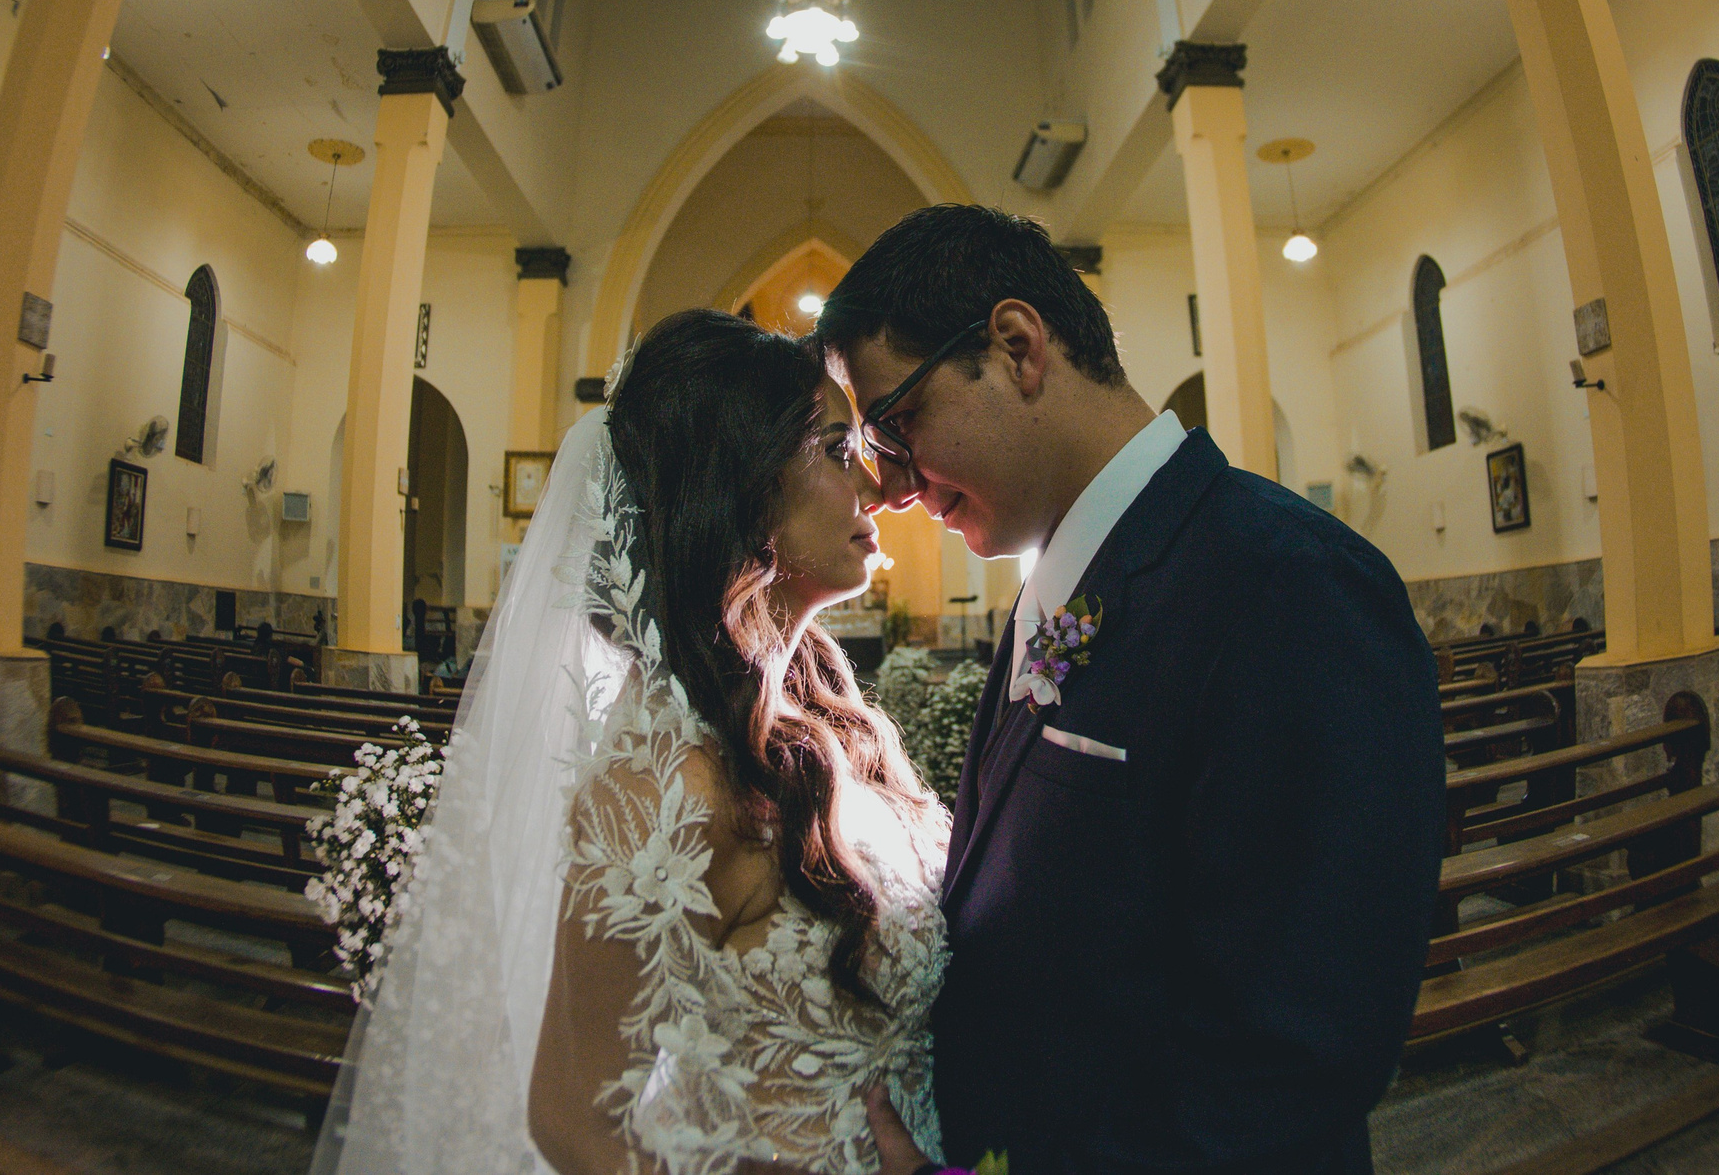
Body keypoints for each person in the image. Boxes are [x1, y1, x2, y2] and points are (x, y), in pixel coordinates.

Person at [817, 205, 1446, 1175]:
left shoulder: (1288, 583)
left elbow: (1292, 1060)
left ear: (1017, 348)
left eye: (897, 424)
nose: (892, 487)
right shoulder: (1060, 578)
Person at [311, 309, 950, 1175]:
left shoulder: (828, 720)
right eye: (836, 450)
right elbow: (572, 1122)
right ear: (741, 485)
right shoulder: (667, 790)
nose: (873, 488)